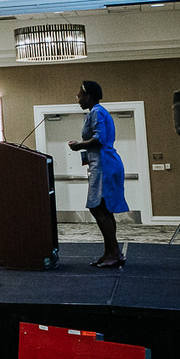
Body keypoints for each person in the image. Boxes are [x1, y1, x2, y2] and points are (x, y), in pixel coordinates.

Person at [70, 79, 128, 268]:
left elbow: (99, 139)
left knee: (98, 207)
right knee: (103, 209)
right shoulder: (98, 112)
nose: (78, 98)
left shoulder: (96, 112)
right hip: (104, 163)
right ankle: (110, 252)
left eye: (79, 95)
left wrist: (79, 145)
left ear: (88, 96)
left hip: (104, 164)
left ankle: (114, 253)